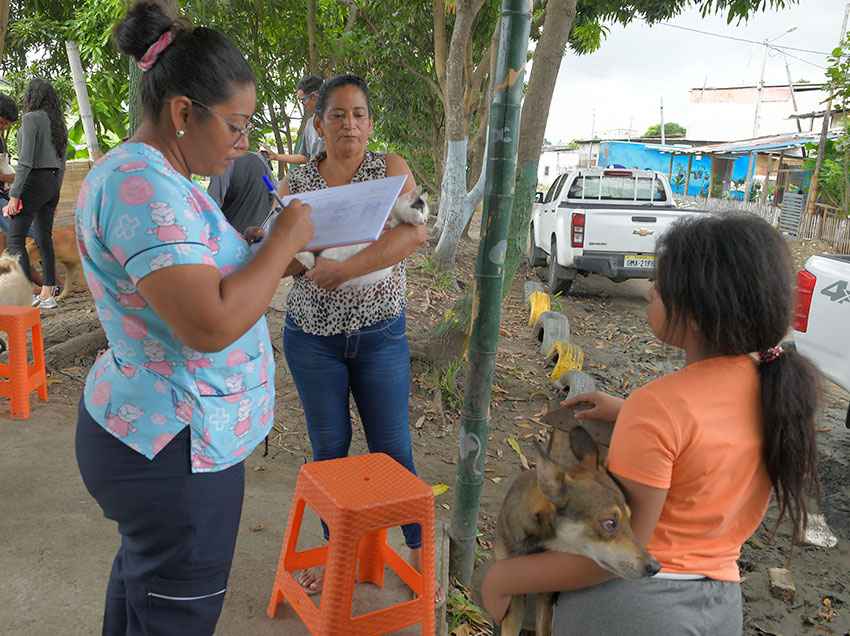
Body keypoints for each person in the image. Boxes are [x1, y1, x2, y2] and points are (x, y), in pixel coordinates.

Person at [74, 3, 313, 635]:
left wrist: (264, 258)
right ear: (184, 113)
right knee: (174, 612)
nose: (243, 143)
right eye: (236, 126)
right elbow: (207, 324)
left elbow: (200, 278)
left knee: (144, 593)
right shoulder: (141, 183)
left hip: (171, 437)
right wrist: (285, 238)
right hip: (175, 451)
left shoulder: (166, 179)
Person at [481, 213, 820, 635]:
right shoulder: (773, 389)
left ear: (696, 315)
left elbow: (619, 557)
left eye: (660, 286)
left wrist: (503, 579)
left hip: (635, 610)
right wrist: (625, 412)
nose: (651, 292)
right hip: (719, 607)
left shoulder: (658, 407)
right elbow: (707, 441)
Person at [277, 73, 428, 594]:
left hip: (380, 333)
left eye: (359, 113)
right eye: (337, 114)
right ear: (317, 123)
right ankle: (334, 551)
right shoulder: (296, 186)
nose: (350, 123)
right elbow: (287, 261)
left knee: (392, 445)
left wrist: (342, 267)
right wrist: (283, 254)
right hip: (312, 337)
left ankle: (417, 550)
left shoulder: (389, 170)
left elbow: (414, 233)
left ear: (370, 122)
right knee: (330, 448)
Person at [2, 78, 66, 309]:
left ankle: (27, 293)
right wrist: (54, 193)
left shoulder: (31, 119)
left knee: (15, 237)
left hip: (35, 181)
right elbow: (62, 163)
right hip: (52, 183)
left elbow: (26, 163)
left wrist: (15, 196)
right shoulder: (58, 123)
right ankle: (48, 294)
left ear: (31, 97)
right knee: (42, 238)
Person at [261, 74, 324, 166]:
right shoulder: (310, 124)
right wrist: (276, 156)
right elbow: (304, 157)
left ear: (314, 96)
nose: (303, 104)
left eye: (303, 100)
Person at [207, 150, 275, 234]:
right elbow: (273, 197)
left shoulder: (225, 162)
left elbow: (210, 206)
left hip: (230, 236)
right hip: (257, 235)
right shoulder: (261, 162)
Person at [0, 92, 21, 254]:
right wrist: (15, 177)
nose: (4, 127)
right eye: (2, 122)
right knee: (20, 236)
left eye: (7, 124)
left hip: (4, 194)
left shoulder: (0, 140)